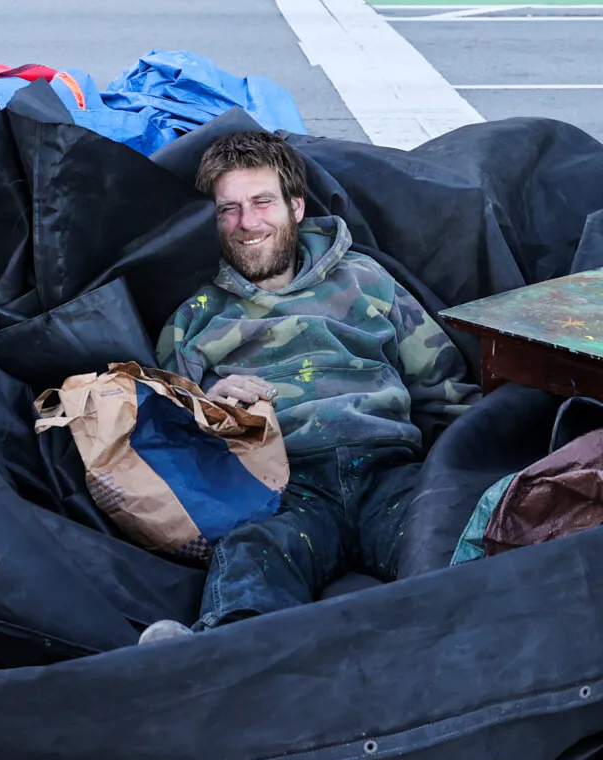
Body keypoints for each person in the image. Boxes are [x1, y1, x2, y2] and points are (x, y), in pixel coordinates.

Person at [141, 130, 480, 637]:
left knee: (453, 541)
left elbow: (446, 388)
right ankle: (216, 660)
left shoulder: (368, 281)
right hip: (285, 485)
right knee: (250, 553)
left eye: (261, 202)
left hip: (386, 469)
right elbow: (171, 435)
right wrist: (211, 408)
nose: (247, 223)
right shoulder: (195, 317)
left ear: (295, 207)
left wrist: (475, 467)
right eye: (227, 209)